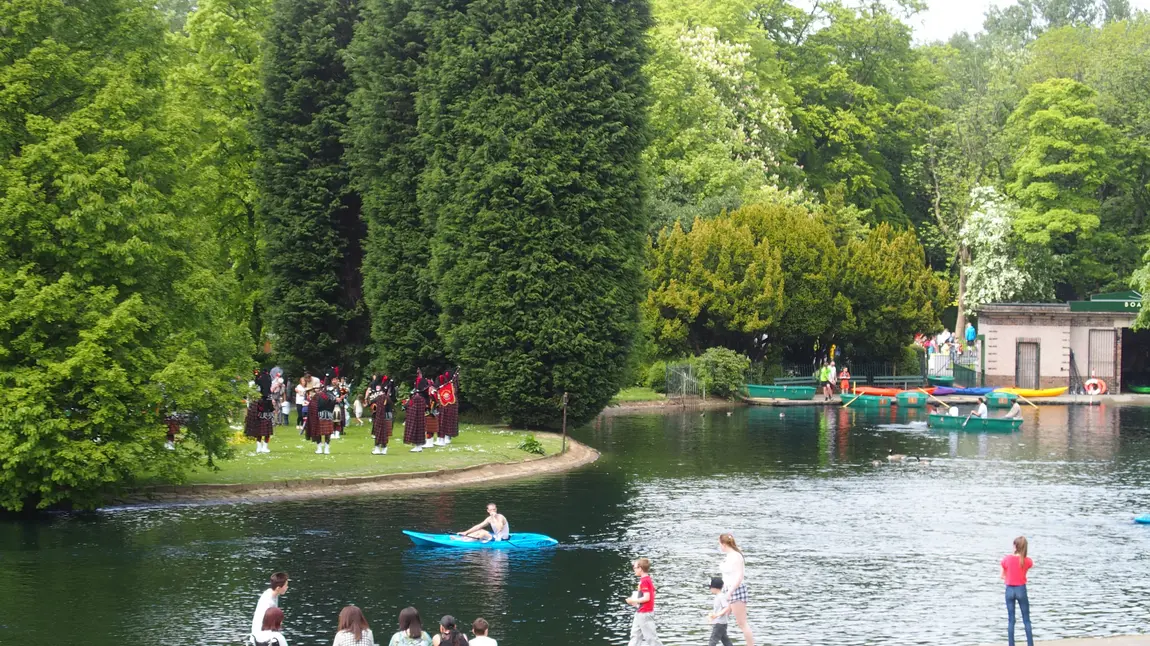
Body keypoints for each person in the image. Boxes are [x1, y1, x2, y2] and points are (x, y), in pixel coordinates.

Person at [718, 533, 754, 646]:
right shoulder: (729, 556)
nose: (719, 547)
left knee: (742, 623)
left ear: (723, 544)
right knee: (720, 620)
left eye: (719, 544)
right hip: (727, 590)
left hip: (736, 591)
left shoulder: (736, 556)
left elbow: (739, 577)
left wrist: (730, 592)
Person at [1001, 536, 1034, 646]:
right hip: (1021, 589)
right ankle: (1030, 644)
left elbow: (1003, 571)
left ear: (1015, 546)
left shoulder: (1007, 559)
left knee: (1011, 620)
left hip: (1009, 589)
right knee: (1026, 620)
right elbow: (1030, 565)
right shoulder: (1027, 561)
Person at [624, 557, 663, 646]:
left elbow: (647, 598)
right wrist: (637, 603)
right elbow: (653, 592)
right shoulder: (647, 579)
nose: (634, 569)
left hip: (645, 613)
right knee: (635, 636)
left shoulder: (645, 581)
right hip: (641, 611)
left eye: (635, 568)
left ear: (640, 569)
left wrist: (633, 600)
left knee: (651, 638)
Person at [251, 572, 289, 636]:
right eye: (286, 585)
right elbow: (263, 622)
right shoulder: (268, 603)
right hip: (261, 636)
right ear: (278, 588)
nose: (287, 587)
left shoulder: (271, 593)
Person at [404, 374, 429, 452]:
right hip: (419, 416)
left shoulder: (417, 397)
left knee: (417, 430)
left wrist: (406, 405)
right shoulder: (421, 396)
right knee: (419, 430)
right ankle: (418, 446)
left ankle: (418, 447)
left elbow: (412, 407)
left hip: (416, 417)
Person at [707, 577, 733, 646]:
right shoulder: (719, 596)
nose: (710, 589)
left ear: (714, 588)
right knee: (725, 640)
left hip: (720, 623)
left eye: (710, 587)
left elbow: (726, 607)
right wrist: (713, 617)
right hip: (721, 623)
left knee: (712, 641)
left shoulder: (721, 596)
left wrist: (717, 615)